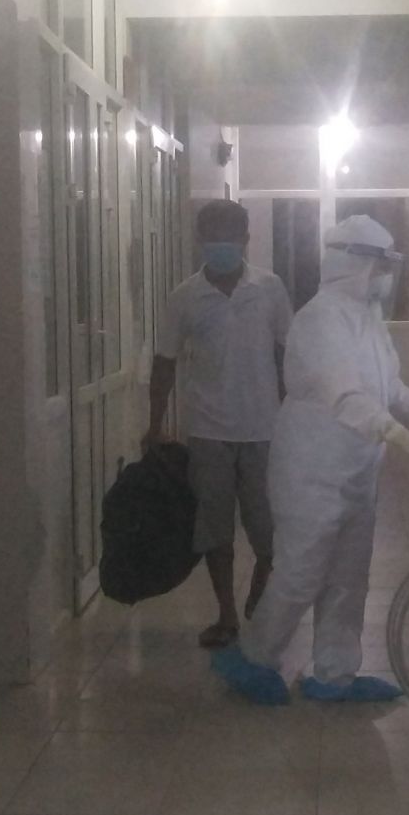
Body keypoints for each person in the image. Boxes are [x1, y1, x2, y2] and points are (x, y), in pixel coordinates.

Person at [212, 214, 409, 706]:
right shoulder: (319, 319)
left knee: (348, 577)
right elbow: (345, 396)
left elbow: (388, 386)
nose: (386, 276)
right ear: (354, 264)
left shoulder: (367, 319)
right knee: (300, 573)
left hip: (356, 468)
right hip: (311, 469)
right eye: (381, 265)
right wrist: (398, 435)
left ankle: (335, 674)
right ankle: (253, 658)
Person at [148, 199, 292, 649]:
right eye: (213, 239)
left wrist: (295, 417)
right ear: (200, 241)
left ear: (246, 240)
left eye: (230, 238)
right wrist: (154, 424)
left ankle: (262, 580)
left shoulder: (269, 288)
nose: (221, 247)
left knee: (269, 528)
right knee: (214, 529)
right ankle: (226, 614)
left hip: (265, 429)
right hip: (208, 430)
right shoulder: (185, 296)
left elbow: (287, 355)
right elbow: (165, 362)